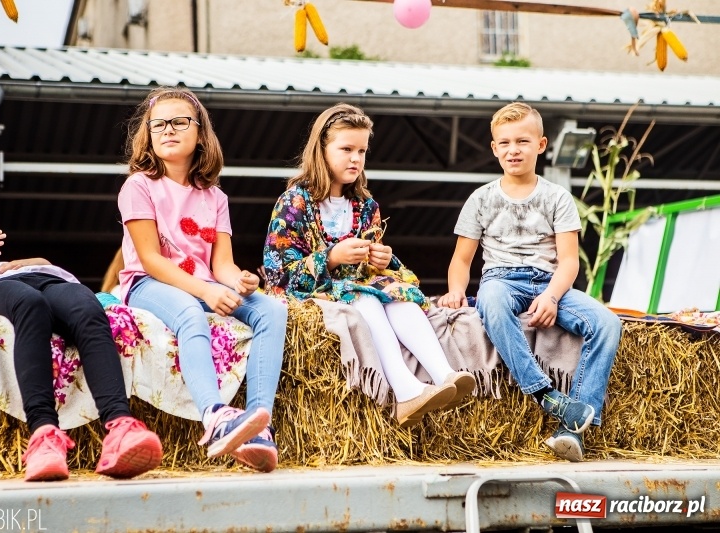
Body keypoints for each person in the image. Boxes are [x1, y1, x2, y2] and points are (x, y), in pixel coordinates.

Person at [263, 103, 476, 428]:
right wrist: (332, 257)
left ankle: (444, 374)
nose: (355, 158)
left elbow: (372, 273)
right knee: (365, 296)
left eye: (361, 150)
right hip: (310, 292)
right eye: (346, 148)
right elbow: (278, 272)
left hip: (356, 287)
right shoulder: (295, 202)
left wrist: (382, 260)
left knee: (394, 292)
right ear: (321, 149)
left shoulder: (365, 205)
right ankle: (406, 390)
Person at [438, 102, 622, 462]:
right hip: (500, 279)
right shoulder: (481, 199)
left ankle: (572, 428)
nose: (513, 150)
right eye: (504, 143)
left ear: (541, 145)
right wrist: (457, 290)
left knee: (607, 322)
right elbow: (462, 260)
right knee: (489, 303)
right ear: (494, 148)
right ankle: (547, 396)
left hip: (549, 280)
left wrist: (552, 297)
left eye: (522, 141)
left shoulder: (557, 197)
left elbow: (569, 261)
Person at [118, 87, 287, 473]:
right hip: (148, 283)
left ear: (200, 133)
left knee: (272, 310)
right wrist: (209, 291)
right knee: (192, 319)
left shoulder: (215, 197)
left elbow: (221, 264)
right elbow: (151, 260)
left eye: (179, 122)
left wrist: (239, 282)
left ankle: (260, 423)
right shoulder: (139, 186)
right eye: (158, 124)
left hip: (204, 283)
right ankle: (215, 418)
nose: (168, 130)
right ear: (148, 132)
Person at [0, 222, 163, 481]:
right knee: (30, 305)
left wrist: (32, 262)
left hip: (49, 278)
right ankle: (44, 434)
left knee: (88, 308)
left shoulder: (6, 267)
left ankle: (121, 426)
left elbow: (46, 263)